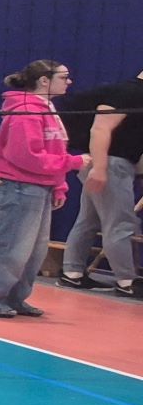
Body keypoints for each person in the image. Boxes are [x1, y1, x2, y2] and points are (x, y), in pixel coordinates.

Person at [0, 60, 88, 318]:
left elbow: (53, 148)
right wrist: (73, 163)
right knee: (10, 247)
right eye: (64, 77)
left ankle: (13, 298)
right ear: (44, 80)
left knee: (33, 251)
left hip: (40, 186)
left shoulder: (47, 109)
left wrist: (59, 185)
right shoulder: (27, 111)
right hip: (19, 186)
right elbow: (25, 156)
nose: (69, 81)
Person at [58, 68, 143, 300]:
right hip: (110, 163)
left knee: (89, 219)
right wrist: (100, 168)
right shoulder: (131, 92)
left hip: (106, 162)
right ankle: (126, 281)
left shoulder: (129, 91)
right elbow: (100, 128)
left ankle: (73, 272)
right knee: (120, 222)